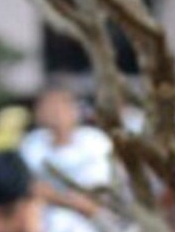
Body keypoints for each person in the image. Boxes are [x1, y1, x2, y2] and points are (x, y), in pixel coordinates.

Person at [19, 80, 114, 223]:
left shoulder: (95, 142)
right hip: (42, 223)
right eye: (47, 105)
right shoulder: (31, 144)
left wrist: (53, 196)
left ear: (74, 108)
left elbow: (93, 203)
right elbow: (27, 191)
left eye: (59, 105)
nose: (53, 112)